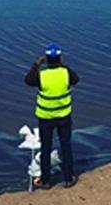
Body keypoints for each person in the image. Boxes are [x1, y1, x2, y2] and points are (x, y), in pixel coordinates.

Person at [24, 43, 79, 189]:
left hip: (46, 118)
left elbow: (28, 80)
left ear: (46, 60)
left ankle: (46, 181)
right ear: (60, 58)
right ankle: (68, 178)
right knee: (66, 146)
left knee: (46, 148)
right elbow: (76, 79)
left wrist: (36, 65)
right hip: (64, 117)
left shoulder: (42, 75)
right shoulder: (65, 73)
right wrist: (65, 66)